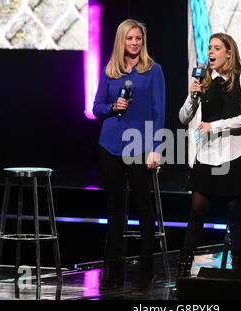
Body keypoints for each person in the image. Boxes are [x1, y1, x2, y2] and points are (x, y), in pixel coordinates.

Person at [177, 33, 241, 278]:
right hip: (209, 154)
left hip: (235, 152)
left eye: (217, 48)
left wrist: (214, 125)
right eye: (209, 48)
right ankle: (183, 270)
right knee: (197, 208)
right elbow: (183, 117)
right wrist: (192, 96)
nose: (211, 53)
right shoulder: (204, 80)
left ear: (228, 52)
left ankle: (238, 269)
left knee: (235, 208)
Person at [92, 19, 165, 290]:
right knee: (114, 210)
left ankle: (146, 273)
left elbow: (159, 112)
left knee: (143, 210)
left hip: (139, 146)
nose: (134, 43)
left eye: (138, 39)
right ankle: (115, 273)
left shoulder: (153, 70)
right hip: (109, 145)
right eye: (129, 38)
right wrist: (113, 106)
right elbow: (96, 107)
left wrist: (156, 149)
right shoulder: (110, 70)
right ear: (121, 40)